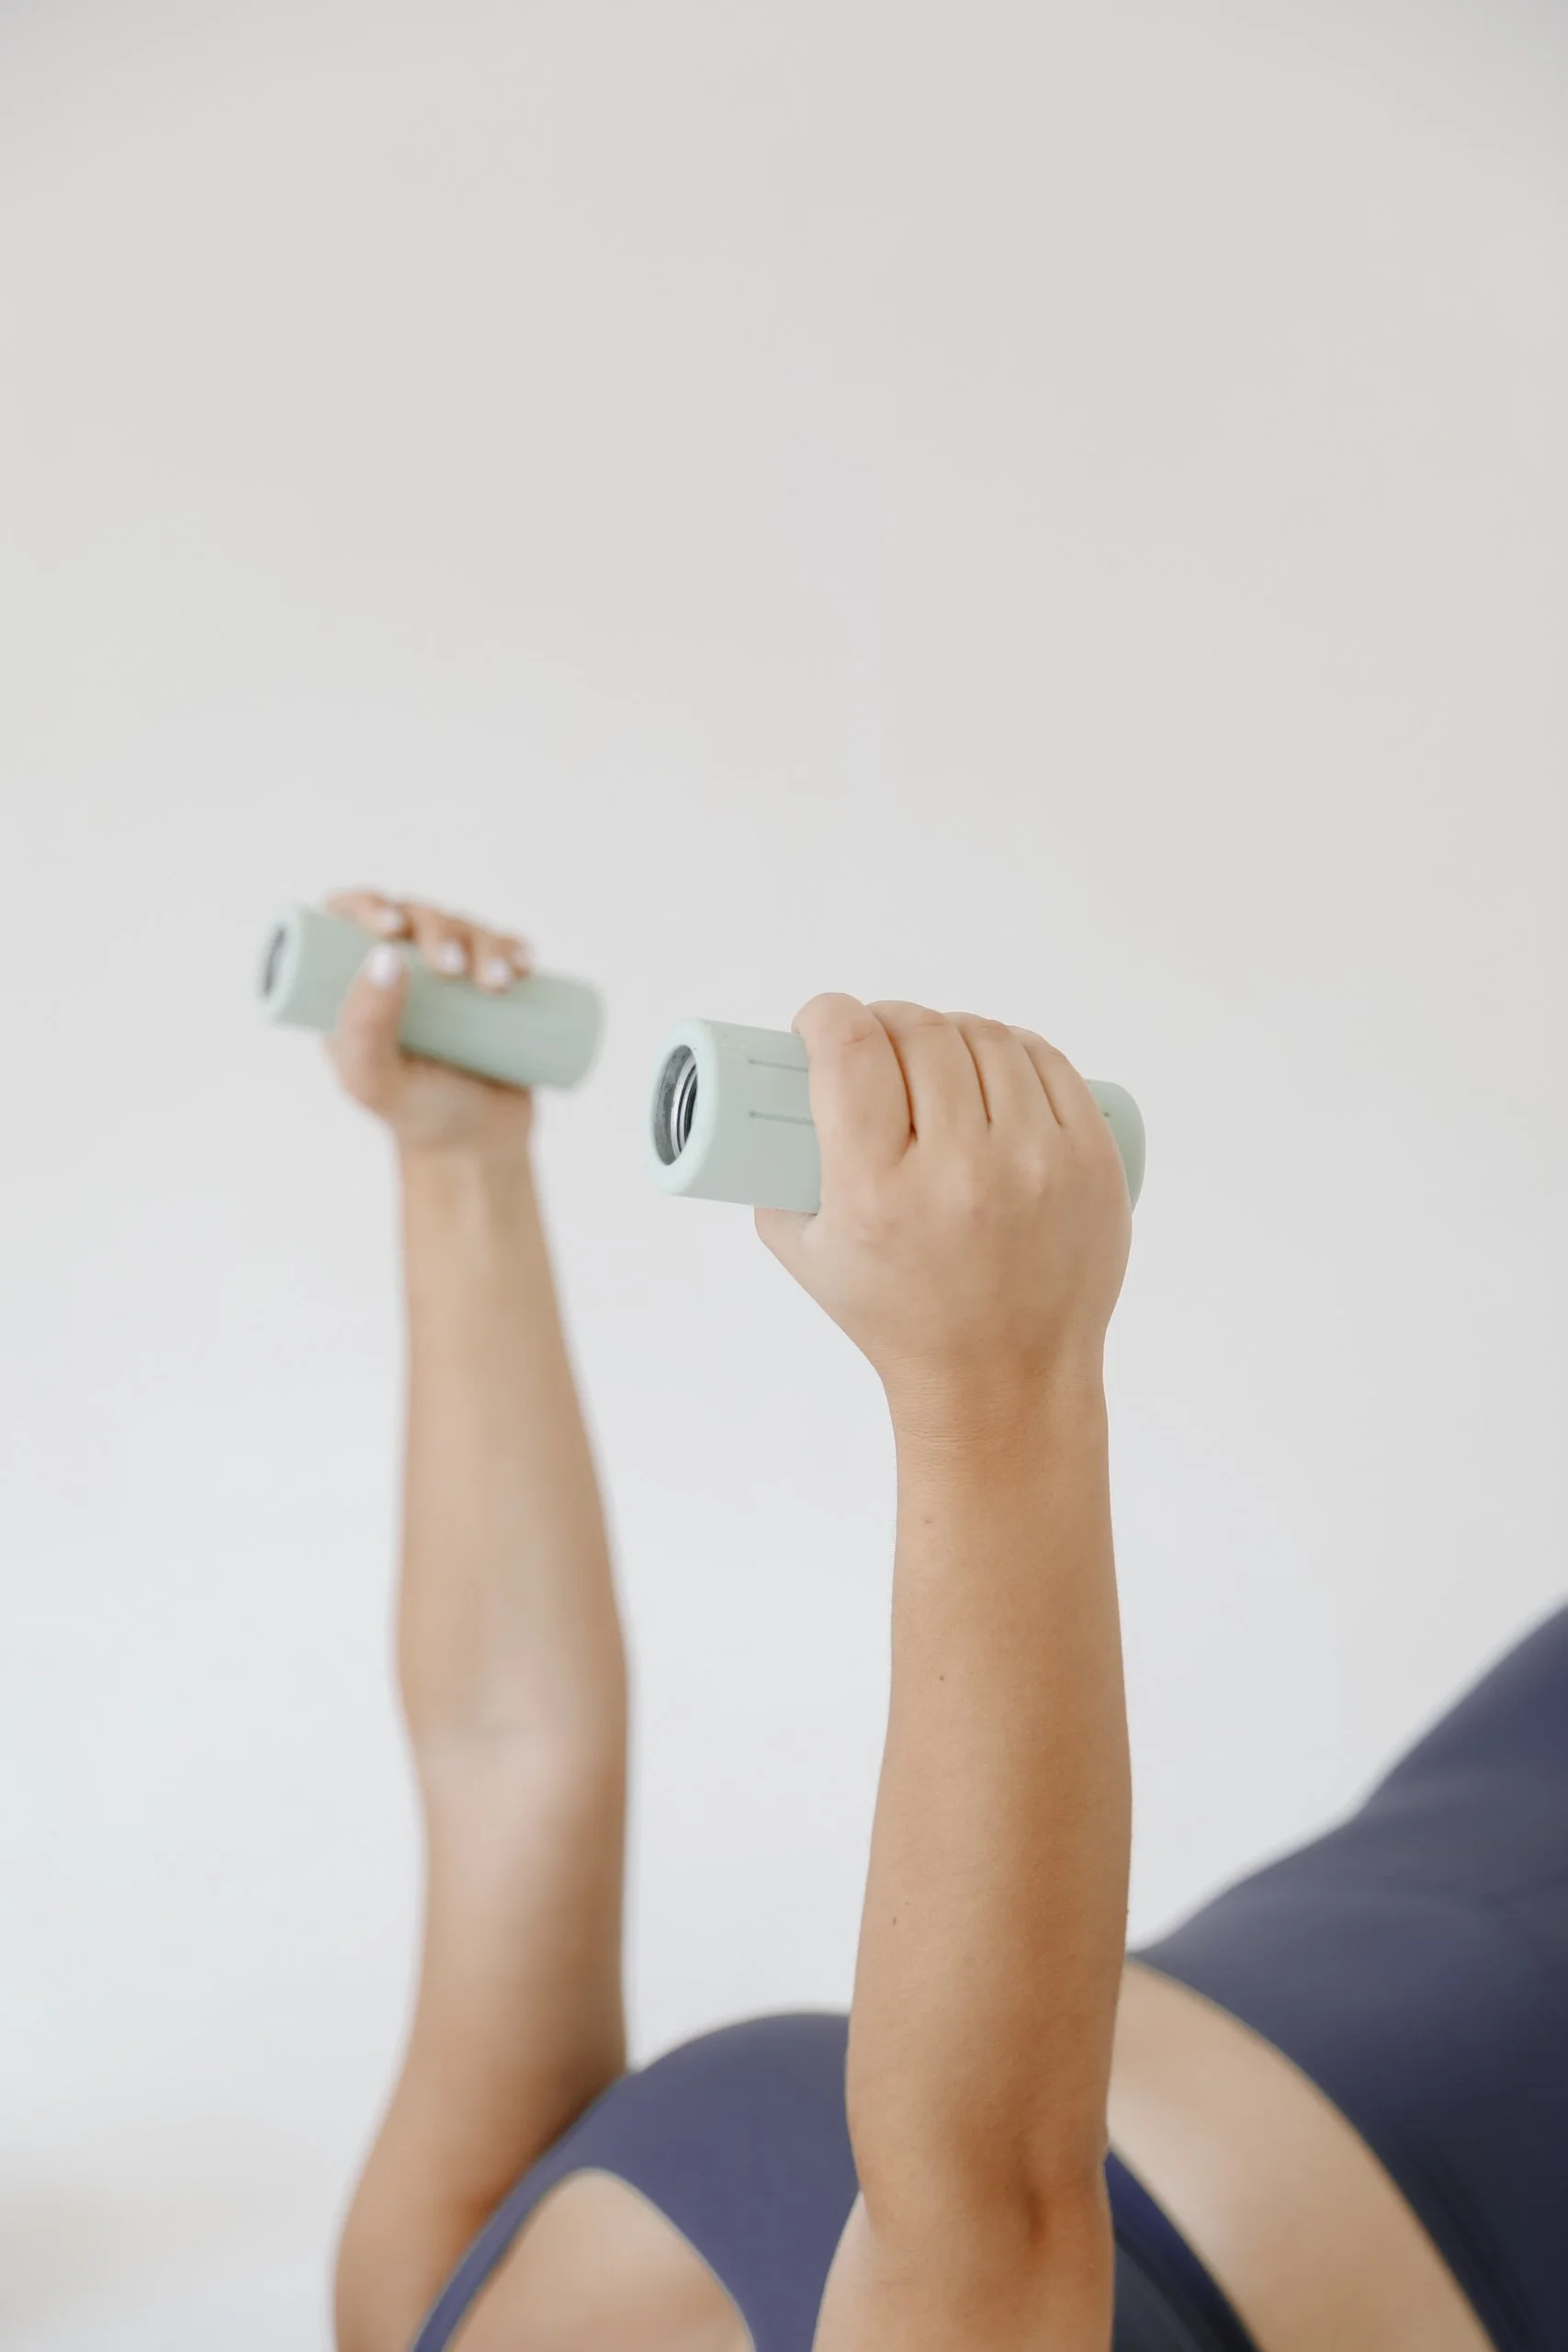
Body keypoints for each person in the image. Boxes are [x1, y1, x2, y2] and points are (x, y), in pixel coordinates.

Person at [318, 887, 1565, 2352]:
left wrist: (458, 1159)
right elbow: (995, 2208)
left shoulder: (418, 2314)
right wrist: (996, 1381)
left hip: (1422, 1861)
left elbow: (505, 1753)